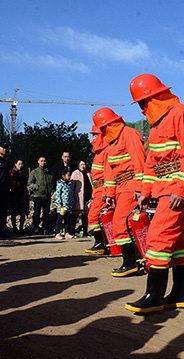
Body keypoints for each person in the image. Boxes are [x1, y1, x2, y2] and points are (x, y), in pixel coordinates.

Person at [124, 74, 184, 313]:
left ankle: (154, 295)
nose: (141, 109)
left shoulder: (181, 113)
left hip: (178, 189)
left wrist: (181, 187)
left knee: (157, 237)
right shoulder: (156, 126)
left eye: (142, 103)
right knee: (176, 241)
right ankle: (181, 292)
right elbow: (151, 164)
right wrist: (144, 191)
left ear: (153, 98)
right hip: (164, 189)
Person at [93, 107, 146, 277]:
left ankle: (130, 263)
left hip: (131, 185)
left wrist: (140, 188)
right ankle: (136, 261)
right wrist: (109, 194)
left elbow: (139, 162)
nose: (100, 133)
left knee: (120, 224)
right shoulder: (111, 143)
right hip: (120, 188)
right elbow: (109, 172)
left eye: (102, 128)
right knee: (125, 224)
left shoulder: (129, 135)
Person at [85, 126, 109, 255]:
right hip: (97, 190)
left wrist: (106, 192)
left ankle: (101, 243)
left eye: (95, 135)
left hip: (103, 190)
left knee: (94, 216)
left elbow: (108, 174)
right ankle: (103, 243)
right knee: (95, 216)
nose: (93, 138)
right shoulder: (98, 153)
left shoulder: (105, 152)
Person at [28, 156, 54, 235]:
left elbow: (52, 184)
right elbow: (29, 184)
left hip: (47, 196)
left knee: (46, 213)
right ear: (38, 162)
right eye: (42, 161)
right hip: (37, 195)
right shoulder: (34, 172)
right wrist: (37, 187)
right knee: (37, 212)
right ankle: (35, 227)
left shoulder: (49, 173)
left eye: (44, 161)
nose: (43, 162)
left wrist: (51, 190)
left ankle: (45, 228)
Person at [71, 160, 92, 237]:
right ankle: (72, 231)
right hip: (78, 197)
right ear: (79, 165)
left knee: (85, 215)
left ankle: (85, 231)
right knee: (75, 214)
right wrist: (72, 197)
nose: (83, 166)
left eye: (84, 164)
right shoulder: (75, 173)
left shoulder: (88, 173)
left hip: (87, 197)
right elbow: (72, 187)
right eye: (81, 164)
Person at [9, 159, 29, 235]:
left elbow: (26, 181)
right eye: (19, 164)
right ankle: (14, 228)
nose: (21, 165)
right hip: (14, 194)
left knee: (23, 212)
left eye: (22, 164)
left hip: (23, 194)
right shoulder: (12, 173)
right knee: (13, 213)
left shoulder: (24, 173)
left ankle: (21, 228)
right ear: (15, 164)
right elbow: (11, 182)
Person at [53, 169, 74, 239]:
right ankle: (57, 233)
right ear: (63, 176)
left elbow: (71, 194)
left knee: (67, 219)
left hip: (68, 205)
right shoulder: (60, 183)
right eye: (68, 175)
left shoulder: (70, 184)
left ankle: (67, 232)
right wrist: (59, 203)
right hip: (61, 205)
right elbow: (58, 194)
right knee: (59, 219)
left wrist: (72, 202)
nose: (70, 176)